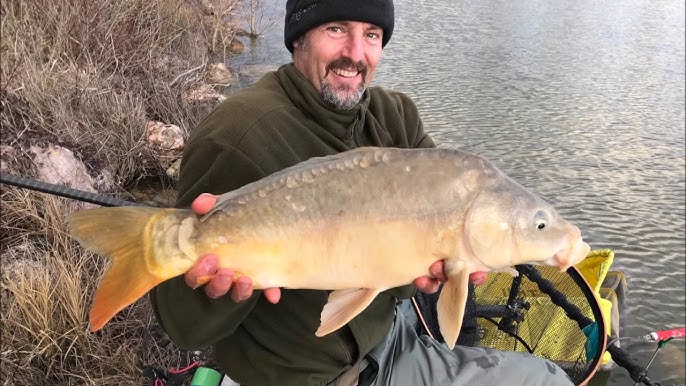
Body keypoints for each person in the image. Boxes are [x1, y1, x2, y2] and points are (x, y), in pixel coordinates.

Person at [150, 1, 575, 385]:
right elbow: (183, 326)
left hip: (390, 342)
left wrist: (435, 275)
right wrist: (217, 288)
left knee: (548, 379)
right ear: (299, 37)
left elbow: (430, 258)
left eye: (371, 34)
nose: (355, 53)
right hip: (300, 375)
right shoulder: (238, 136)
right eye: (336, 28)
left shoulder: (395, 115)